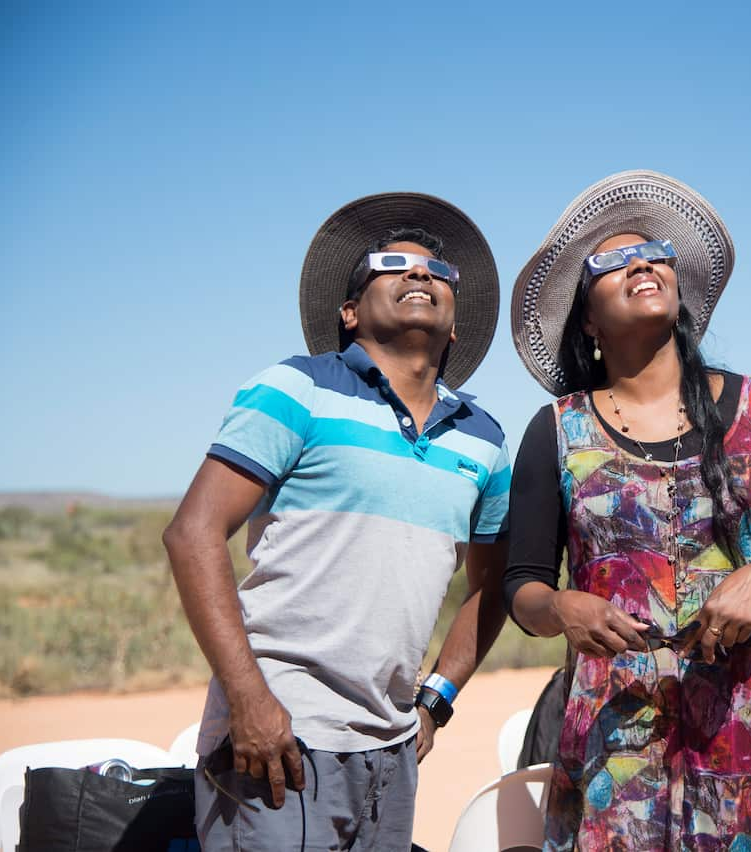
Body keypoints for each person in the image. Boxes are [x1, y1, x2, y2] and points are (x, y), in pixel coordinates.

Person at [506, 170, 751, 850]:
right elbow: (522, 586)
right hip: (616, 739)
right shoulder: (556, 432)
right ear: (588, 320)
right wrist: (563, 609)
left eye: (655, 252)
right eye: (612, 261)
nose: (641, 263)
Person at [163, 192, 511, 851]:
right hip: (278, 737)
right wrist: (249, 700)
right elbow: (193, 534)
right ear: (349, 312)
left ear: (456, 322)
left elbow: (491, 588)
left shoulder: (485, 440)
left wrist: (434, 702)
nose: (420, 275)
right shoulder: (298, 388)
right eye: (392, 264)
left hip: (392, 748)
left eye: (438, 272)